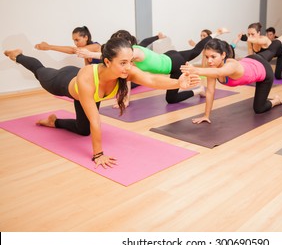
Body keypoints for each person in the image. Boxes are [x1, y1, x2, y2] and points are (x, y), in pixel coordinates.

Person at [3, 38, 200, 169]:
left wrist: (178, 82)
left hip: (86, 92)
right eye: (123, 63)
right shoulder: (89, 76)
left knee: (83, 130)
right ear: (107, 62)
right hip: (62, 82)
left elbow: (152, 80)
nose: (128, 67)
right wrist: (98, 155)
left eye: (130, 61)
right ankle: (17, 55)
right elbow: (96, 120)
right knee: (40, 71)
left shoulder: (126, 71)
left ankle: (54, 122)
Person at [78, 28, 229, 104]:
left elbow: (113, 58)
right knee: (194, 51)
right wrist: (126, 99)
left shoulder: (133, 52)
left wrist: (90, 54)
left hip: (174, 64)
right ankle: (215, 33)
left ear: (128, 44)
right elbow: (147, 41)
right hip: (169, 56)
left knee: (171, 99)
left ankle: (198, 91)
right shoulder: (137, 47)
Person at [180, 38, 282, 124]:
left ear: (223, 55)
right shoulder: (212, 67)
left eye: (213, 56)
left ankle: (276, 100)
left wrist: (196, 70)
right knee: (271, 51)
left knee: (259, 109)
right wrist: (206, 116)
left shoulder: (231, 65)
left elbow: (220, 72)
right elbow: (210, 91)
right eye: (207, 57)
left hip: (264, 72)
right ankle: (280, 39)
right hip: (251, 59)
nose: (209, 60)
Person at [35, 26, 101, 65]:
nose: (75, 43)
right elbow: (88, 69)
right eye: (74, 40)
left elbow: (73, 50)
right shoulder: (85, 52)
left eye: (77, 40)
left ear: (86, 37)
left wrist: (49, 47)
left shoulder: (95, 46)